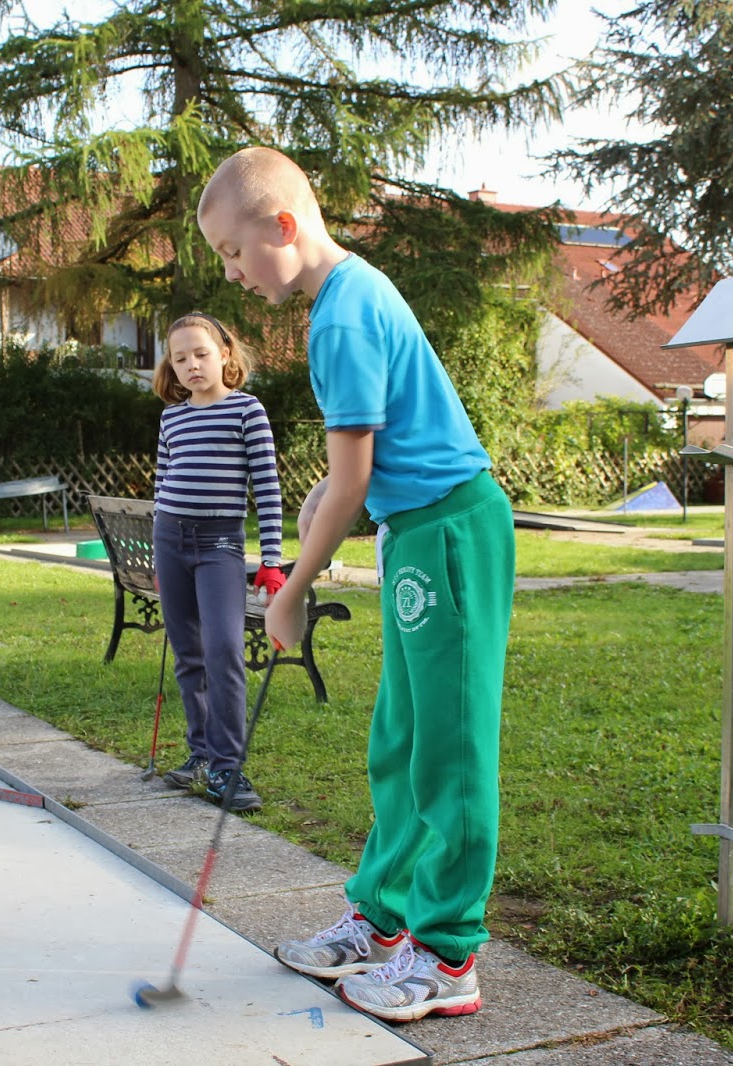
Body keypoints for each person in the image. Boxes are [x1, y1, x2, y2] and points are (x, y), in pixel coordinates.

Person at [196, 146, 515, 1023]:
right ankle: (379, 922)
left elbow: (353, 475)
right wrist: (321, 500)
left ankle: (448, 956)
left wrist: (291, 590)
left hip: (448, 532)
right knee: (402, 738)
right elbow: (359, 462)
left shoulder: (338, 318)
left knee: (448, 747)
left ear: (282, 228)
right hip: (417, 531)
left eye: (232, 252)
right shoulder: (350, 293)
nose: (232, 275)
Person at [151, 311, 287, 814]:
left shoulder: (247, 411)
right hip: (170, 540)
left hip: (220, 544)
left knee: (225, 649)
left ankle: (228, 764)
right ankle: (200, 754)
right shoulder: (172, 416)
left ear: (225, 354)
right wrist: (158, 561)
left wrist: (271, 560)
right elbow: (161, 485)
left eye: (201, 354)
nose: (191, 365)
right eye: (180, 357)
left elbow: (267, 490)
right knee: (188, 652)